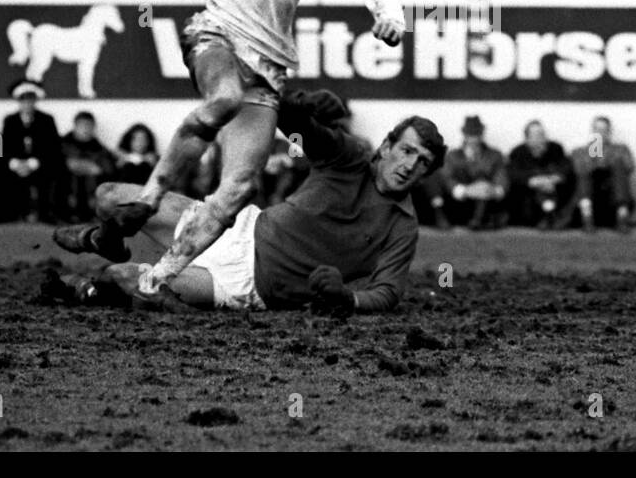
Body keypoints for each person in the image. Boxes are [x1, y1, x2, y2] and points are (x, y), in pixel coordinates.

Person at [54, 0, 405, 294]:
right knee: (223, 100)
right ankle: (151, 198)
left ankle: (153, 274)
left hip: (268, 67)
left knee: (238, 189)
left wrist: (391, 19)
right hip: (217, 33)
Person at [47, 92, 444, 314]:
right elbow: (296, 125)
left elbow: (389, 292)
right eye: (406, 151)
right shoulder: (351, 156)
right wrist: (302, 106)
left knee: (125, 276)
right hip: (236, 226)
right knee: (109, 196)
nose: (410, 165)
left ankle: (93, 285)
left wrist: (348, 299)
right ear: (387, 146)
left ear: (427, 172)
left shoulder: (402, 225)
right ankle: (103, 238)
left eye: (422, 162)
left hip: (250, 284)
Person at [428, 115, 508, 230]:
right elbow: (447, 178)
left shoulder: (494, 155)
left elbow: (501, 176)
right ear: (465, 136)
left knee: (484, 186)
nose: (474, 139)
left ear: (481, 135)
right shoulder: (453, 156)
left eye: (477, 135)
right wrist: (467, 191)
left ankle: (480, 219)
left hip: (488, 201)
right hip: (462, 203)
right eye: (471, 135)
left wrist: (491, 190)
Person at [0, 79, 63, 224]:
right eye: (23, 101)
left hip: (39, 164)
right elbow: (0, 146)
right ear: (18, 102)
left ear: (35, 101)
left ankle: (48, 213)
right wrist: (13, 163)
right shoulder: (9, 120)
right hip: (17, 164)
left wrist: (33, 163)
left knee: (54, 170)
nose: (27, 104)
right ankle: (10, 213)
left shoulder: (47, 120)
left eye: (30, 100)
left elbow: (54, 147)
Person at [570, 115, 636, 232]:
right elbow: (577, 170)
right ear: (593, 131)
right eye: (597, 130)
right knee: (585, 173)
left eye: (604, 130)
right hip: (590, 202)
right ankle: (587, 218)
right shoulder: (580, 152)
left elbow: (630, 167)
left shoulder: (621, 149)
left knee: (618, 166)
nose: (600, 133)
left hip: (613, 203)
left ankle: (622, 217)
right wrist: (595, 153)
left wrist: (607, 159)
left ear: (609, 132)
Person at [505, 120, 574, 229]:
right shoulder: (518, 152)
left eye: (542, 134)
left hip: (553, 188)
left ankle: (556, 218)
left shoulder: (556, 149)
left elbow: (566, 168)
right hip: (530, 194)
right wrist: (534, 181)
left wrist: (553, 179)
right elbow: (513, 173)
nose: (541, 138)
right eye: (536, 135)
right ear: (527, 139)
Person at [61, 111, 116, 222]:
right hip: (67, 185)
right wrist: (73, 165)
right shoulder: (62, 144)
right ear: (75, 126)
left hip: (90, 188)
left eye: (89, 125)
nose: (85, 129)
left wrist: (98, 169)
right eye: (82, 125)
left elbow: (109, 168)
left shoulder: (98, 147)